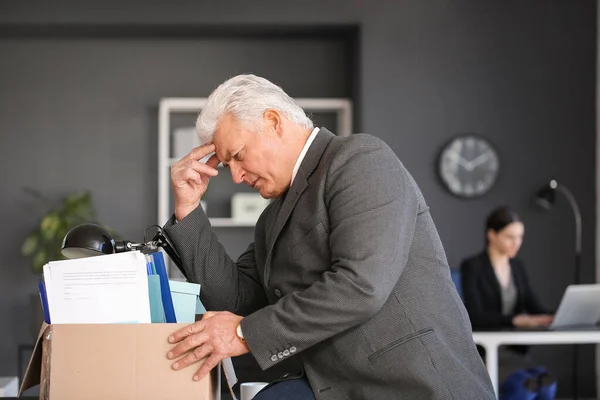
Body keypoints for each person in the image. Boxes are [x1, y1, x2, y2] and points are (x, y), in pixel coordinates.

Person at [162, 74, 495, 399]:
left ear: (274, 122)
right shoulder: (271, 218)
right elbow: (234, 303)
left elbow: (360, 286)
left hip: (411, 384)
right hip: (336, 385)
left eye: (237, 155)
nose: (234, 176)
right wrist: (188, 209)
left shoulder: (360, 159)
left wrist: (241, 333)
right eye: (225, 165)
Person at [460, 206, 556, 392]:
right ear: (492, 235)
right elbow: (475, 315)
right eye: (510, 237)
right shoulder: (472, 267)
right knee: (522, 387)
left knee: (547, 385)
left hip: (514, 350)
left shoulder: (517, 267)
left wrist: (557, 315)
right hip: (486, 350)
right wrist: (515, 320)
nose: (516, 243)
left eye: (520, 237)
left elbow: (534, 305)